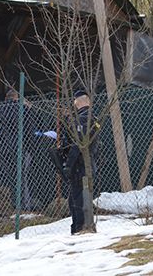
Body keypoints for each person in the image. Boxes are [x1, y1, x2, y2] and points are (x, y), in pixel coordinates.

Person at [59, 89, 100, 234]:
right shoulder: (93, 118)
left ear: (78, 102)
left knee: (77, 200)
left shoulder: (83, 119)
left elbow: (78, 144)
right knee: (78, 198)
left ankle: (80, 229)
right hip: (85, 164)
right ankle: (80, 228)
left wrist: (68, 165)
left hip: (79, 166)